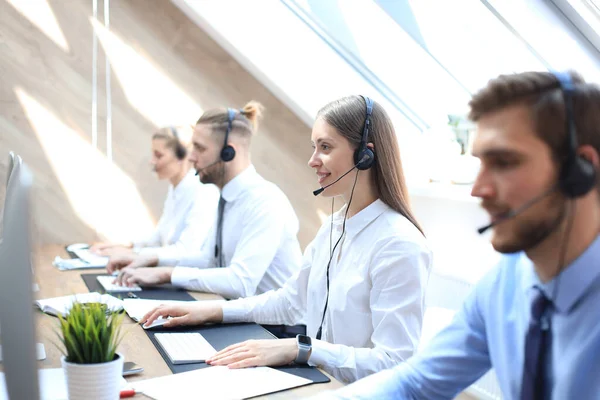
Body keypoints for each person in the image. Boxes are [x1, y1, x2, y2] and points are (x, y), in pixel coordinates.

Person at [318, 71, 600, 399]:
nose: (479, 189)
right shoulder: (503, 285)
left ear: (581, 172)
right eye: (480, 163)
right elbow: (415, 383)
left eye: (505, 162)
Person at [141, 95, 432, 383]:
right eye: (314, 147)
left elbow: (394, 362)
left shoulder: (399, 244)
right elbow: (289, 301)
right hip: (322, 382)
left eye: (325, 147)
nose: (312, 161)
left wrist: (300, 348)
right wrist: (208, 311)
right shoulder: (334, 226)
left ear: (364, 156)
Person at [105, 101, 303, 300]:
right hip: (246, 316)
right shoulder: (226, 196)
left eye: (199, 148)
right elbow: (209, 259)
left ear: (229, 153)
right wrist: (149, 260)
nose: (190, 157)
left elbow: (240, 283)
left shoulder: (264, 201)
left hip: (277, 329)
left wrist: (167, 273)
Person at [90, 126, 219, 258]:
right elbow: (159, 236)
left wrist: (132, 253)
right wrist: (125, 245)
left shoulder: (203, 192)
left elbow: (187, 250)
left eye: (158, 156)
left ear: (181, 157)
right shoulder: (175, 188)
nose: (152, 161)